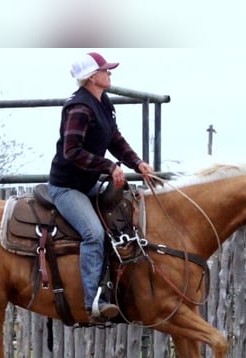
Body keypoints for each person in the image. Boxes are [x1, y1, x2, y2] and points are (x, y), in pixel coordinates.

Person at [48, 51, 153, 321]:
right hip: (68, 187)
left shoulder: (102, 102)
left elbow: (114, 139)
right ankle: (91, 302)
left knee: (125, 218)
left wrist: (137, 163)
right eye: (105, 70)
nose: (110, 73)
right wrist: (108, 167)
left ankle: (119, 290)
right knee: (93, 234)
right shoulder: (79, 108)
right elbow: (72, 151)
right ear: (92, 77)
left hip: (88, 183)